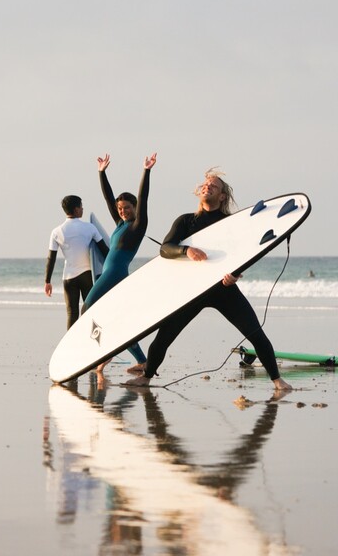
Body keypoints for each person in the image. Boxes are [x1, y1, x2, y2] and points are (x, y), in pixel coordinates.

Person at [123, 169, 292, 391]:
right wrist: (187, 251)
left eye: (213, 185)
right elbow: (166, 249)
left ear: (222, 196)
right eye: (205, 184)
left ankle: (278, 381)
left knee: (255, 334)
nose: (207, 186)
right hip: (192, 290)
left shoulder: (231, 224)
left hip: (223, 289)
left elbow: (243, 253)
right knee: (163, 338)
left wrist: (237, 273)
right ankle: (146, 377)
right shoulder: (186, 221)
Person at [82, 153, 157, 374]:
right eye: (120, 208)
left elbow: (143, 199)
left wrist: (146, 171)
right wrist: (101, 173)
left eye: (127, 207)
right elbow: (108, 198)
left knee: (87, 307)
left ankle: (99, 350)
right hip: (109, 274)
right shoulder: (119, 224)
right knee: (117, 320)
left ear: (134, 207)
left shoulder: (137, 226)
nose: (123, 211)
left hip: (114, 275)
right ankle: (141, 360)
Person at [45, 195, 109, 329]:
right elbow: (105, 251)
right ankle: (93, 339)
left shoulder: (56, 231)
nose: (82, 209)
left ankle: (70, 344)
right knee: (91, 310)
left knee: (72, 313)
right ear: (75, 209)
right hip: (86, 275)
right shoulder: (90, 228)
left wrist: (47, 281)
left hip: (69, 277)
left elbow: (51, 258)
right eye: (81, 206)